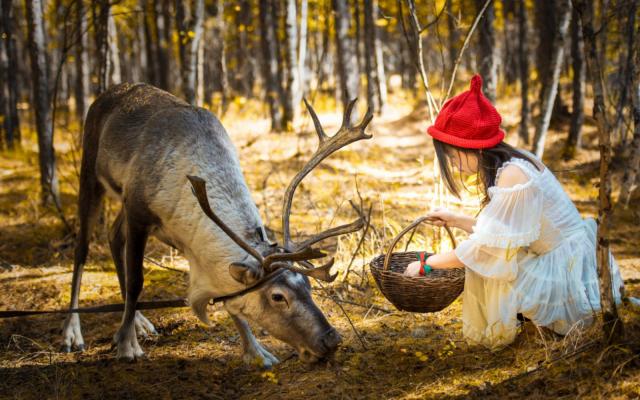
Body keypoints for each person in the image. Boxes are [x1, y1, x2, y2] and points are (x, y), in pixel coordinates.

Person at [404, 74, 625, 350]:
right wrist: (457, 220)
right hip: (565, 257)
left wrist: (427, 264)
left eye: (452, 157)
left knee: (492, 269)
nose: (455, 166)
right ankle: (532, 324)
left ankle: (530, 327)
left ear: (469, 148)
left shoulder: (513, 175)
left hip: (565, 273)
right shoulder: (515, 159)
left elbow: (486, 250)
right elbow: (503, 236)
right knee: (496, 261)